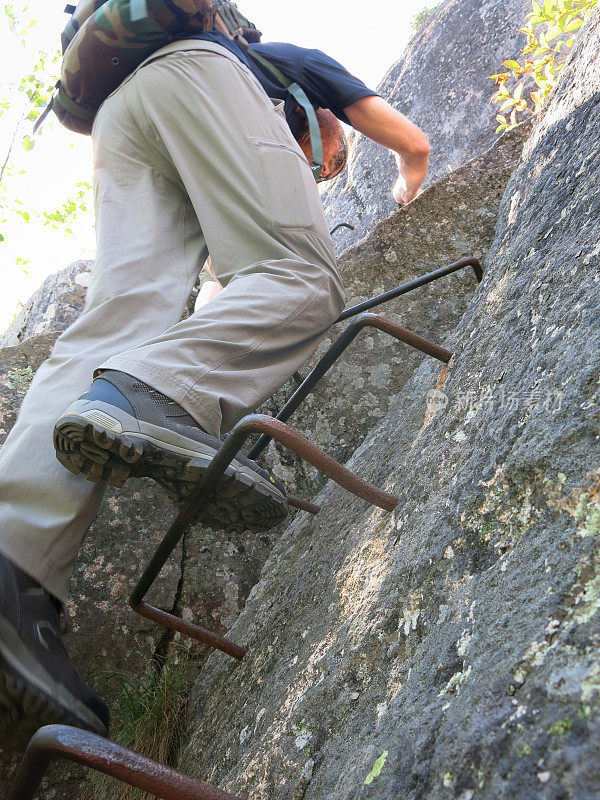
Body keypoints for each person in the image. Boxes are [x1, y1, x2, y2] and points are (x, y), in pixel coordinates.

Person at [0, 1, 429, 749]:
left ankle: (14, 571)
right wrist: (406, 185)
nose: (320, 171)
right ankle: (150, 395)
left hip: (119, 121)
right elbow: (411, 142)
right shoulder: (293, 65)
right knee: (299, 272)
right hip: (200, 77)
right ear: (314, 122)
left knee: (118, 323)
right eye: (322, 162)